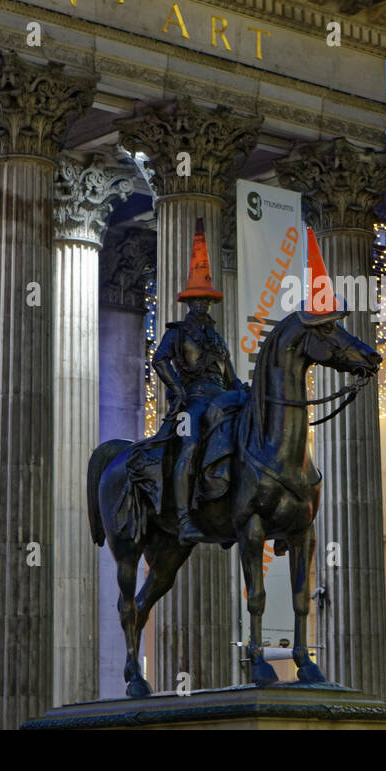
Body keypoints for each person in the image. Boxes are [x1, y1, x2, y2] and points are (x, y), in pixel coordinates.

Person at [151, 218, 245, 544]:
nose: (202, 304)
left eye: (207, 300)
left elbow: (230, 375)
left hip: (222, 399)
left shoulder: (217, 338)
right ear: (189, 302)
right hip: (192, 400)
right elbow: (159, 360)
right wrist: (177, 390)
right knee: (188, 445)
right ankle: (183, 517)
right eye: (198, 300)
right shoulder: (177, 333)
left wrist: (244, 390)